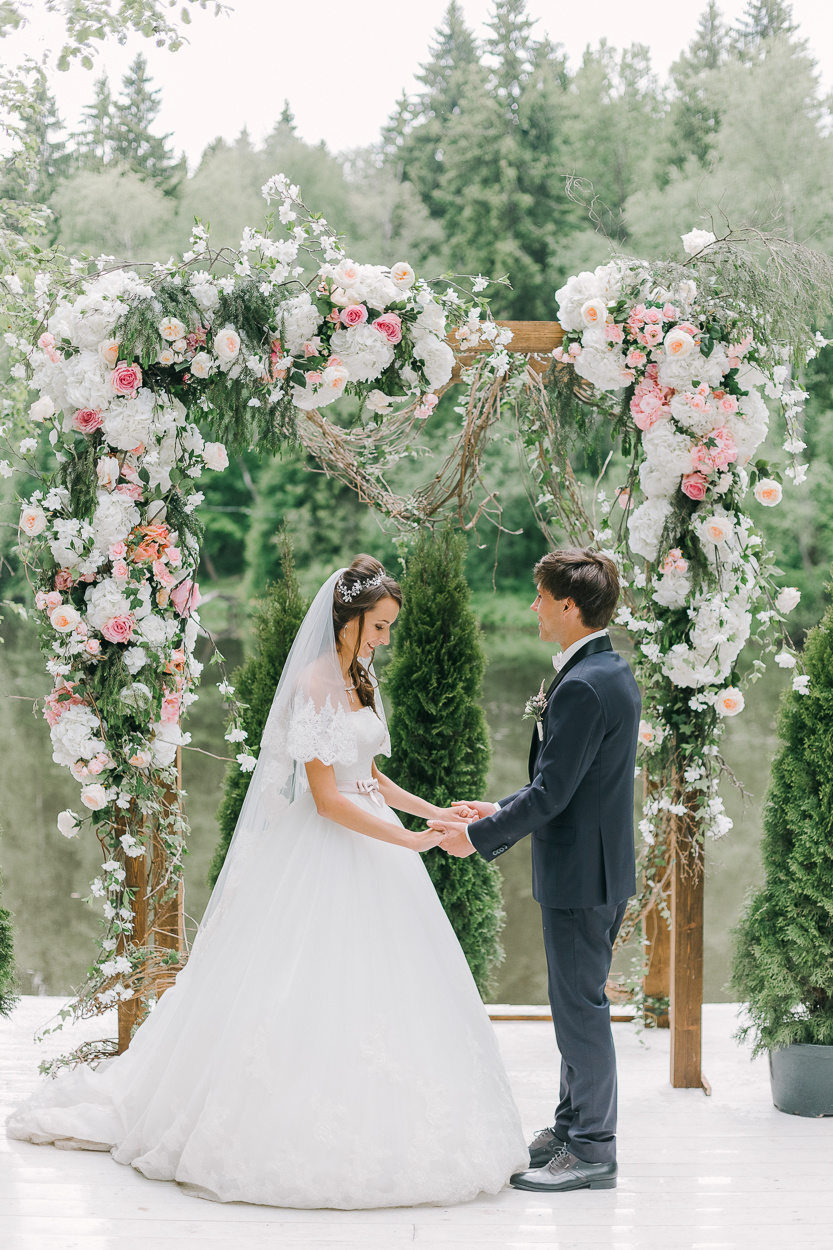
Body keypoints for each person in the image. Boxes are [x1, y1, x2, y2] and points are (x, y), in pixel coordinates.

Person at [7, 556, 528, 1209]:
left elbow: (369, 778)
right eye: (380, 626)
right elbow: (328, 799)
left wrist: (433, 812)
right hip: (330, 847)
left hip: (378, 844)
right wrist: (407, 840)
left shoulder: (361, 675)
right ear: (347, 618)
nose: (384, 640)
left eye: (389, 628)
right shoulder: (314, 684)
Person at [430, 548, 641, 1194]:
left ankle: (594, 1148)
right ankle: (570, 1126)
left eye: (540, 597)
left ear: (568, 606)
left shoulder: (582, 685)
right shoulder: (604, 671)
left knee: (579, 1011)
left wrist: (476, 836)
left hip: (582, 876)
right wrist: (496, 807)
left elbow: (550, 795)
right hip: (593, 868)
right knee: (574, 1005)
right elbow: (568, 786)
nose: (533, 607)